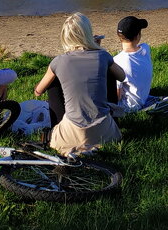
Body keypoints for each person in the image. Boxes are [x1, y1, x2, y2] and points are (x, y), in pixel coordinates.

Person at [33, 13, 125, 156]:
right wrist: (97, 50)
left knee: (54, 81)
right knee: (108, 70)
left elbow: (38, 91)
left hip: (70, 135)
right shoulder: (103, 56)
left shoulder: (59, 61)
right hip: (104, 133)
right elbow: (122, 76)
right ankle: (115, 120)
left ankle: (57, 126)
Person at [112, 16, 152, 113]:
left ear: (119, 36)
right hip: (143, 97)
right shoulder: (145, 48)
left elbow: (117, 96)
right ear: (138, 36)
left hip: (128, 107)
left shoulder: (117, 61)